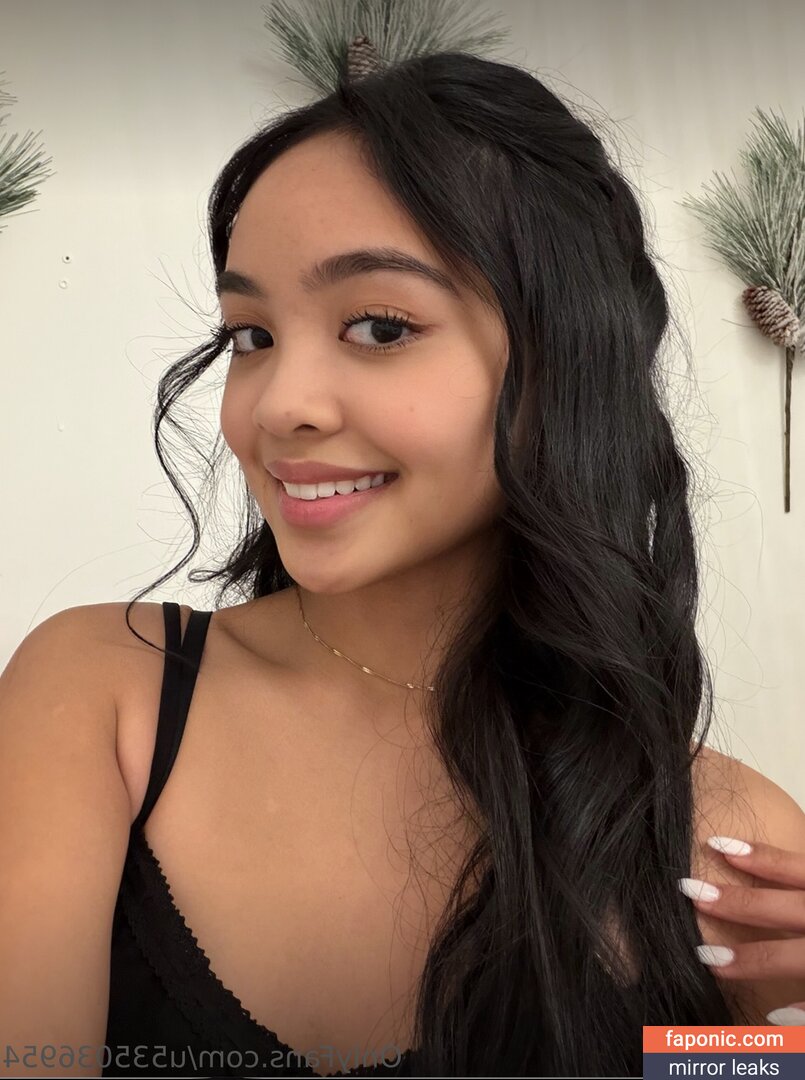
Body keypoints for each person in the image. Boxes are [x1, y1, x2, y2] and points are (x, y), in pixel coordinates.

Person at [2, 47, 805, 1080]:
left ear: (563, 362)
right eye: (250, 335)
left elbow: (729, 1070)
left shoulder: (727, 845)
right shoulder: (107, 697)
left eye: (379, 326)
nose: (278, 405)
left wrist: (782, 1046)